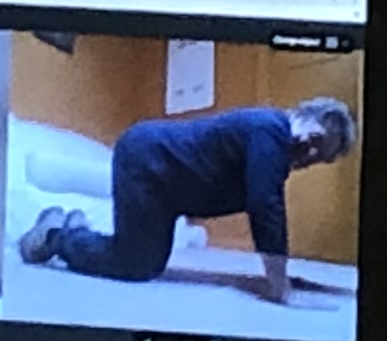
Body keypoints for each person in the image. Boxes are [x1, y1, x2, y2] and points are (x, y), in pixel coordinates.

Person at [19, 97, 355, 307]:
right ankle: (55, 236)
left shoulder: (275, 149)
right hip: (148, 162)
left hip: (169, 189)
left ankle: (77, 229)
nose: (309, 153)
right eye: (315, 139)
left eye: (317, 157)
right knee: (135, 266)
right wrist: (281, 288)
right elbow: (265, 204)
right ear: (302, 115)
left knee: (147, 263)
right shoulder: (270, 129)